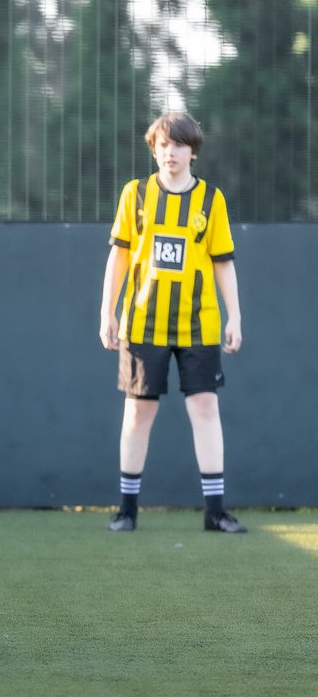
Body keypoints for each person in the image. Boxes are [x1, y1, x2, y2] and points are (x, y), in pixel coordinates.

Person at [98, 112, 246, 534]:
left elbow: (223, 261)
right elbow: (120, 255)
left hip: (199, 325)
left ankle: (215, 512)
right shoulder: (136, 194)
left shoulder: (210, 200)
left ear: (192, 151)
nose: (170, 152)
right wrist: (107, 311)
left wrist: (235, 315)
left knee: (204, 406)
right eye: (162, 145)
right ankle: (126, 511)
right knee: (138, 411)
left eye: (178, 145)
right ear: (154, 148)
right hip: (143, 324)